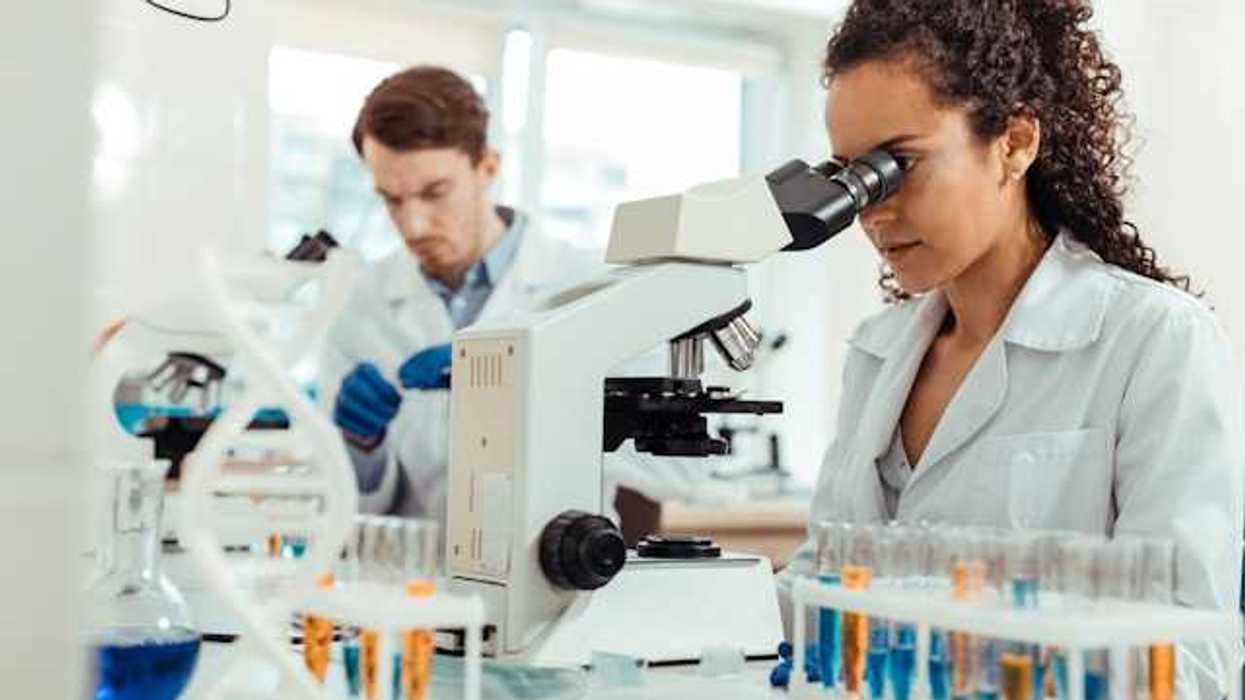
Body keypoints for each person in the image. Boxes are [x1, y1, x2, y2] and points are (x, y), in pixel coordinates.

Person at [776, 1, 1244, 696]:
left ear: (1015, 143)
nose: (872, 210)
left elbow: (1187, 660)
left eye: (897, 164)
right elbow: (820, 606)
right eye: (850, 173)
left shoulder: (1153, 338)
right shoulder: (876, 353)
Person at [321, 66, 711, 522]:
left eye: (435, 193)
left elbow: (681, 471)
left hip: (553, 584)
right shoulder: (361, 303)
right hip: (412, 585)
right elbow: (347, 505)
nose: (414, 225)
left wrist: (519, 393)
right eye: (392, 199)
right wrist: (360, 447)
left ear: (488, 166)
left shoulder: (593, 290)